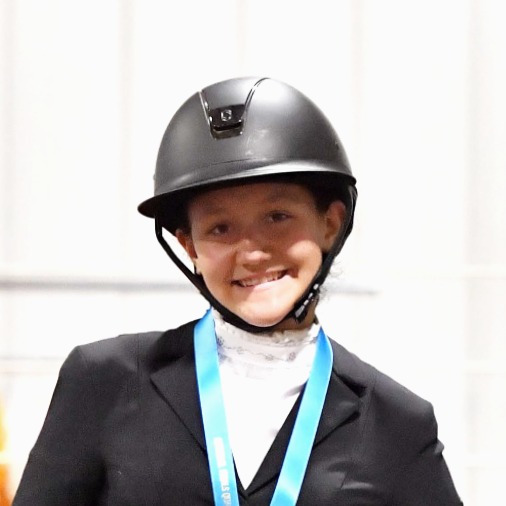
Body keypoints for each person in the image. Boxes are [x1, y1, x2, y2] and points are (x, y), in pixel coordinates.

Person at [12, 77, 463, 505]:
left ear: (330, 224)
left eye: (277, 217)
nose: (252, 252)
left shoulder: (398, 423)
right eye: (220, 228)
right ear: (189, 245)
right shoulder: (104, 381)